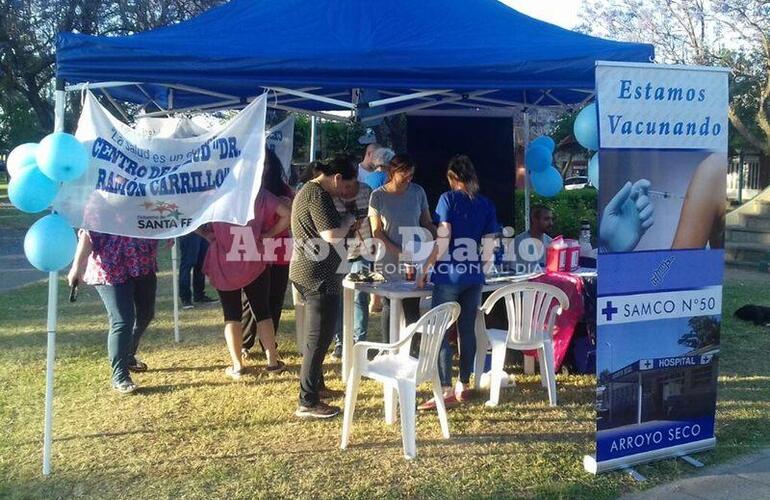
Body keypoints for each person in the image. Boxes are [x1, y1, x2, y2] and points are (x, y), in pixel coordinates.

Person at [417, 155, 498, 409]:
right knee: (467, 329)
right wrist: (481, 272)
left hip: (449, 274)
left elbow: (443, 239)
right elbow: (488, 246)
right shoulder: (486, 204)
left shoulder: (447, 199)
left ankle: (444, 388)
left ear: (453, 178)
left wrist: (425, 267)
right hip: (474, 276)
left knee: (439, 330)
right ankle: (463, 384)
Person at [290, 155, 358, 419]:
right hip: (317, 275)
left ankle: (316, 388)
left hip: (312, 271)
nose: (346, 192)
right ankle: (307, 402)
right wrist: (348, 222)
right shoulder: (317, 194)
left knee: (314, 338)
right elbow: (330, 235)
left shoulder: (308, 191)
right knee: (318, 341)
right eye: (346, 186)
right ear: (337, 177)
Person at [202, 188, 290, 380]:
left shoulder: (215, 193)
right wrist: (268, 234)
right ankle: (272, 362)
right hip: (254, 255)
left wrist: (206, 234)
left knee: (231, 315)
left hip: (224, 260)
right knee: (263, 312)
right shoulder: (259, 193)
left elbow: (189, 217)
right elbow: (287, 214)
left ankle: (237, 365)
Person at [67, 232, 159, 394]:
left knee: (146, 314)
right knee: (122, 320)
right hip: (110, 268)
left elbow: (157, 219)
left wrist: (170, 232)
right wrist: (76, 267)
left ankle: (128, 354)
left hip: (143, 264)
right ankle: (120, 376)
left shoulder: (141, 205)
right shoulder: (98, 206)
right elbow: (87, 236)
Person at [369, 153, 436, 342]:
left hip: (413, 258)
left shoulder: (417, 192)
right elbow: (377, 231)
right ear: (393, 171)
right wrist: (398, 251)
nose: (409, 179)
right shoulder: (378, 195)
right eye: (404, 174)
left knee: (412, 305)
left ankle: (413, 350)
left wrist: (437, 235)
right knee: (390, 304)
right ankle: (388, 348)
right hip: (388, 258)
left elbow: (427, 222)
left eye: (411, 175)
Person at [241, 149, 294, 360]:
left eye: (266, 164)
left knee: (275, 296)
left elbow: (290, 215)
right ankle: (245, 342)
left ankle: (269, 343)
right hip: (253, 247)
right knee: (250, 298)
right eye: (258, 163)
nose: (263, 169)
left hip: (279, 247)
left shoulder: (284, 190)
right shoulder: (244, 189)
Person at [331, 177, 373, 359]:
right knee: (338, 298)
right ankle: (341, 342)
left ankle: (359, 341)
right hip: (339, 252)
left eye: (351, 185)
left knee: (360, 297)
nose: (347, 190)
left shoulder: (366, 190)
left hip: (363, 249)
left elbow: (372, 218)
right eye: (344, 186)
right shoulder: (333, 194)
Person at [178, 232, 217, 309]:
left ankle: (199, 295)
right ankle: (186, 299)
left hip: (203, 228)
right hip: (189, 229)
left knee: (201, 263)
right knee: (188, 263)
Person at [513, 205, 554, 273]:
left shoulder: (551, 242)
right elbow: (513, 272)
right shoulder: (518, 242)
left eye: (551, 219)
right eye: (546, 219)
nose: (551, 223)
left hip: (545, 283)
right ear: (534, 219)